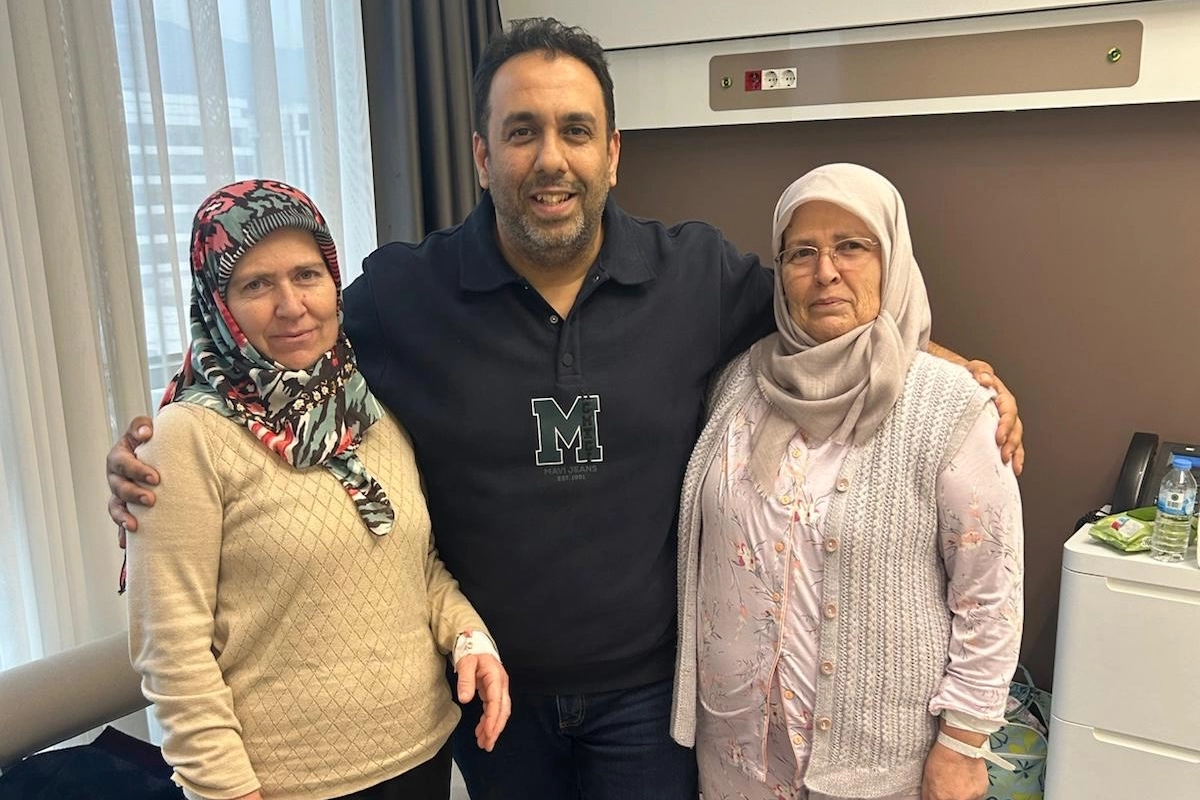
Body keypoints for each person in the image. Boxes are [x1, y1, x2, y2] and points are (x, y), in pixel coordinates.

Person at [108, 19, 1024, 800]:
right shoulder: (402, 296)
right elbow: (280, 348)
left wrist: (957, 374)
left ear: (612, 153)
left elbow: (827, 316)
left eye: (576, 131)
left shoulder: (696, 276)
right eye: (522, 132)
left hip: (651, 700)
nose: (551, 159)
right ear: (482, 156)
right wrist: (158, 443)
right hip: (491, 697)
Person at [124, 179, 510, 800]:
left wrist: (469, 640)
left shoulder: (370, 411)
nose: (291, 305)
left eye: (307, 275)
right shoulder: (186, 438)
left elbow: (417, 567)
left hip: (422, 755)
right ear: (218, 303)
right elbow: (171, 649)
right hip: (281, 783)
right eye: (255, 285)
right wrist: (224, 788)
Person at [671, 163, 1024, 800]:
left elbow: (990, 595)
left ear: (892, 258)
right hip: (737, 756)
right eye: (801, 253)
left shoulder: (951, 407)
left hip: (875, 764)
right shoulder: (737, 384)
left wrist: (964, 744)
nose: (826, 271)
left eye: (852, 246)